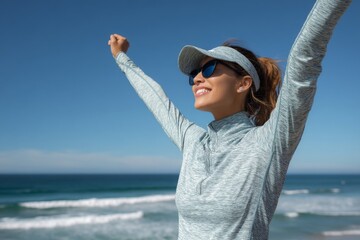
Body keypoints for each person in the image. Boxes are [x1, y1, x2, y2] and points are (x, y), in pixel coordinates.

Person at [108, 0, 352, 239]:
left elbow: (305, 57)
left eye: (210, 68)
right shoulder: (194, 142)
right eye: (194, 74)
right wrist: (122, 58)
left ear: (243, 83)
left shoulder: (268, 142)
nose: (197, 79)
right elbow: (157, 100)